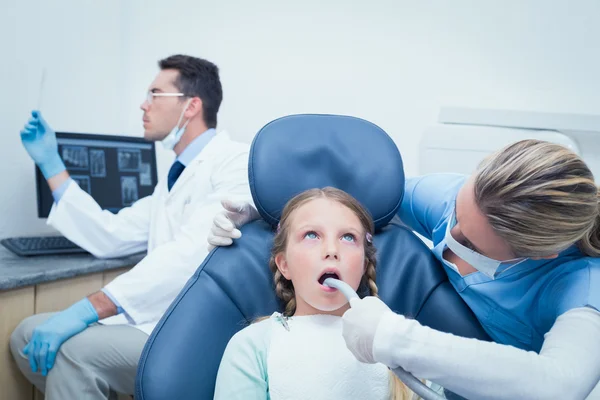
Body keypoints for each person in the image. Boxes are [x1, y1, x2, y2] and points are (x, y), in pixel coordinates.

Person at [208, 139, 600, 399]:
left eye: (472, 243)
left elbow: (558, 386)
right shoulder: (256, 347)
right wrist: (267, 209)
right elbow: (349, 205)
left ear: (540, 253)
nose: (451, 236)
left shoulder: (579, 289)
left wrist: (398, 341)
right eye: (456, 215)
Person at [11, 54, 252, 399]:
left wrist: (89, 307)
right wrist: (51, 165)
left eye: (155, 94)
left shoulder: (233, 162)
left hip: (193, 330)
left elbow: (191, 254)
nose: (144, 105)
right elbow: (111, 234)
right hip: (155, 317)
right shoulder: (174, 179)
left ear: (191, 106)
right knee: (26, 334)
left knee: (72, 354)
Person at [213, 187, 412, 400]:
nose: (331, 250)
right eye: (311, 235)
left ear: (364, 265)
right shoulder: (252, 346)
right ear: (284, 264)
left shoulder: (401, 343)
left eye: (347, 237)